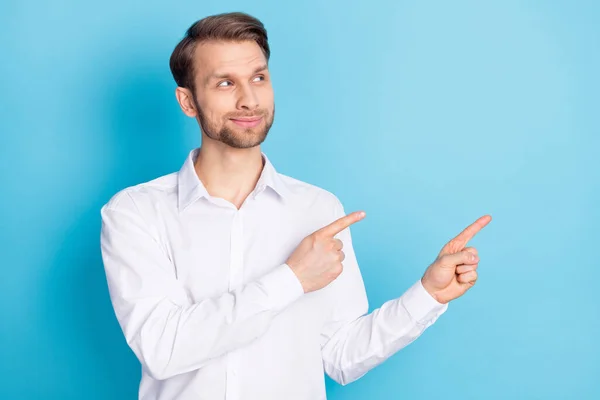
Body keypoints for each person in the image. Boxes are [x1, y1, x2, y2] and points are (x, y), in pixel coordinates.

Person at [100, 11, 491, 400]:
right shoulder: (136, 213)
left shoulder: (317, 209)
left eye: (258, 78)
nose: (248, 99)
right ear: (188, 101)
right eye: (224, 83)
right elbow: (163, 350)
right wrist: (291, 278)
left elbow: (341, 356)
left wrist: (427, 295)